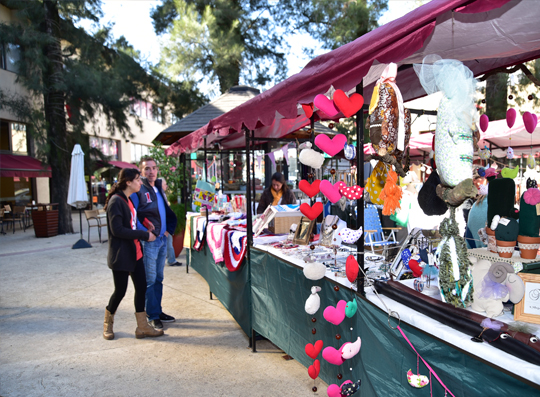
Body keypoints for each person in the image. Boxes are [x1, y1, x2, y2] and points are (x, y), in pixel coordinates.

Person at [103, 168, 164, 340]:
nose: (140, 182)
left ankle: (142, 327)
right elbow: (118, 230)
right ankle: (108, 323)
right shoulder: (116, 201)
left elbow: (131, 220)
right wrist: (145, 235)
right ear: (128, 182)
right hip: (121, 255)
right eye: (137, 179)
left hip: (135, 252)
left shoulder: (128, 199)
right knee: (120, 291)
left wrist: (145, 223)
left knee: (142, 288)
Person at [131, 157, 178, 330]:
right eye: (147, 169)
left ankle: (157, 311)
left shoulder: (158, 188)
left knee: (159, 278)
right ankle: (152, 315)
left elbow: (163, 211)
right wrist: (147, 234)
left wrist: (166, 230)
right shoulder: (139, 190)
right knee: (150, 280)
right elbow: (134, 216)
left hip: (162, 239)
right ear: (141, 171)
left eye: (153, 168)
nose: (151, 172)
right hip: (150, 242)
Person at [161, 179, 182, 267]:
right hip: (164, 224)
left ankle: (171, 259)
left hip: (165, 223)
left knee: (168, 242)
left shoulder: (162, 195)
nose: (166, 186)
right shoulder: (161, 195)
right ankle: (171, 260)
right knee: (168, 242)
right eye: (165, 184)